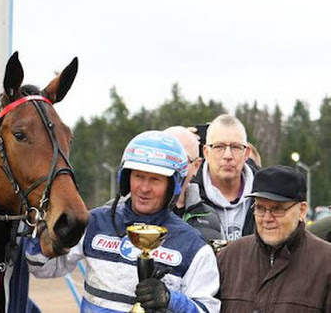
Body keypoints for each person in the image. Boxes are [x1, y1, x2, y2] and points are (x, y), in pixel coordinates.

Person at [26, 131, 220, 313]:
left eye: (155, 180)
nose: (144, 188)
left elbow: (208, 309)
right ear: (125, 179)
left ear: (173, 186)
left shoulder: (193, 245)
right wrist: (40, 232)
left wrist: (172, 300)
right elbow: (44, 268)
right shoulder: (94, 222)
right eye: (138, 176)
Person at [217, 165, 331, 312]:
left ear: (302, 211)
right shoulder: (230, 258)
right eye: (260, 208)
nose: (267, 218)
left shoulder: (326, 263)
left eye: (277, 209)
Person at [195, 114, 255, 241]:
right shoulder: (188, 194)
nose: (228, 155)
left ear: (246, 153)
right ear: (206, 152)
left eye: (236, 147)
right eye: (219, 147)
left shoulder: (264, 193)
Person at [164, 126, 223, 242]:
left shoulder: (210, 217)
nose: (172, 166)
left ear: (196, 166)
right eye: (166, 157)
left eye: (181, 159)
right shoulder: (127, 210)